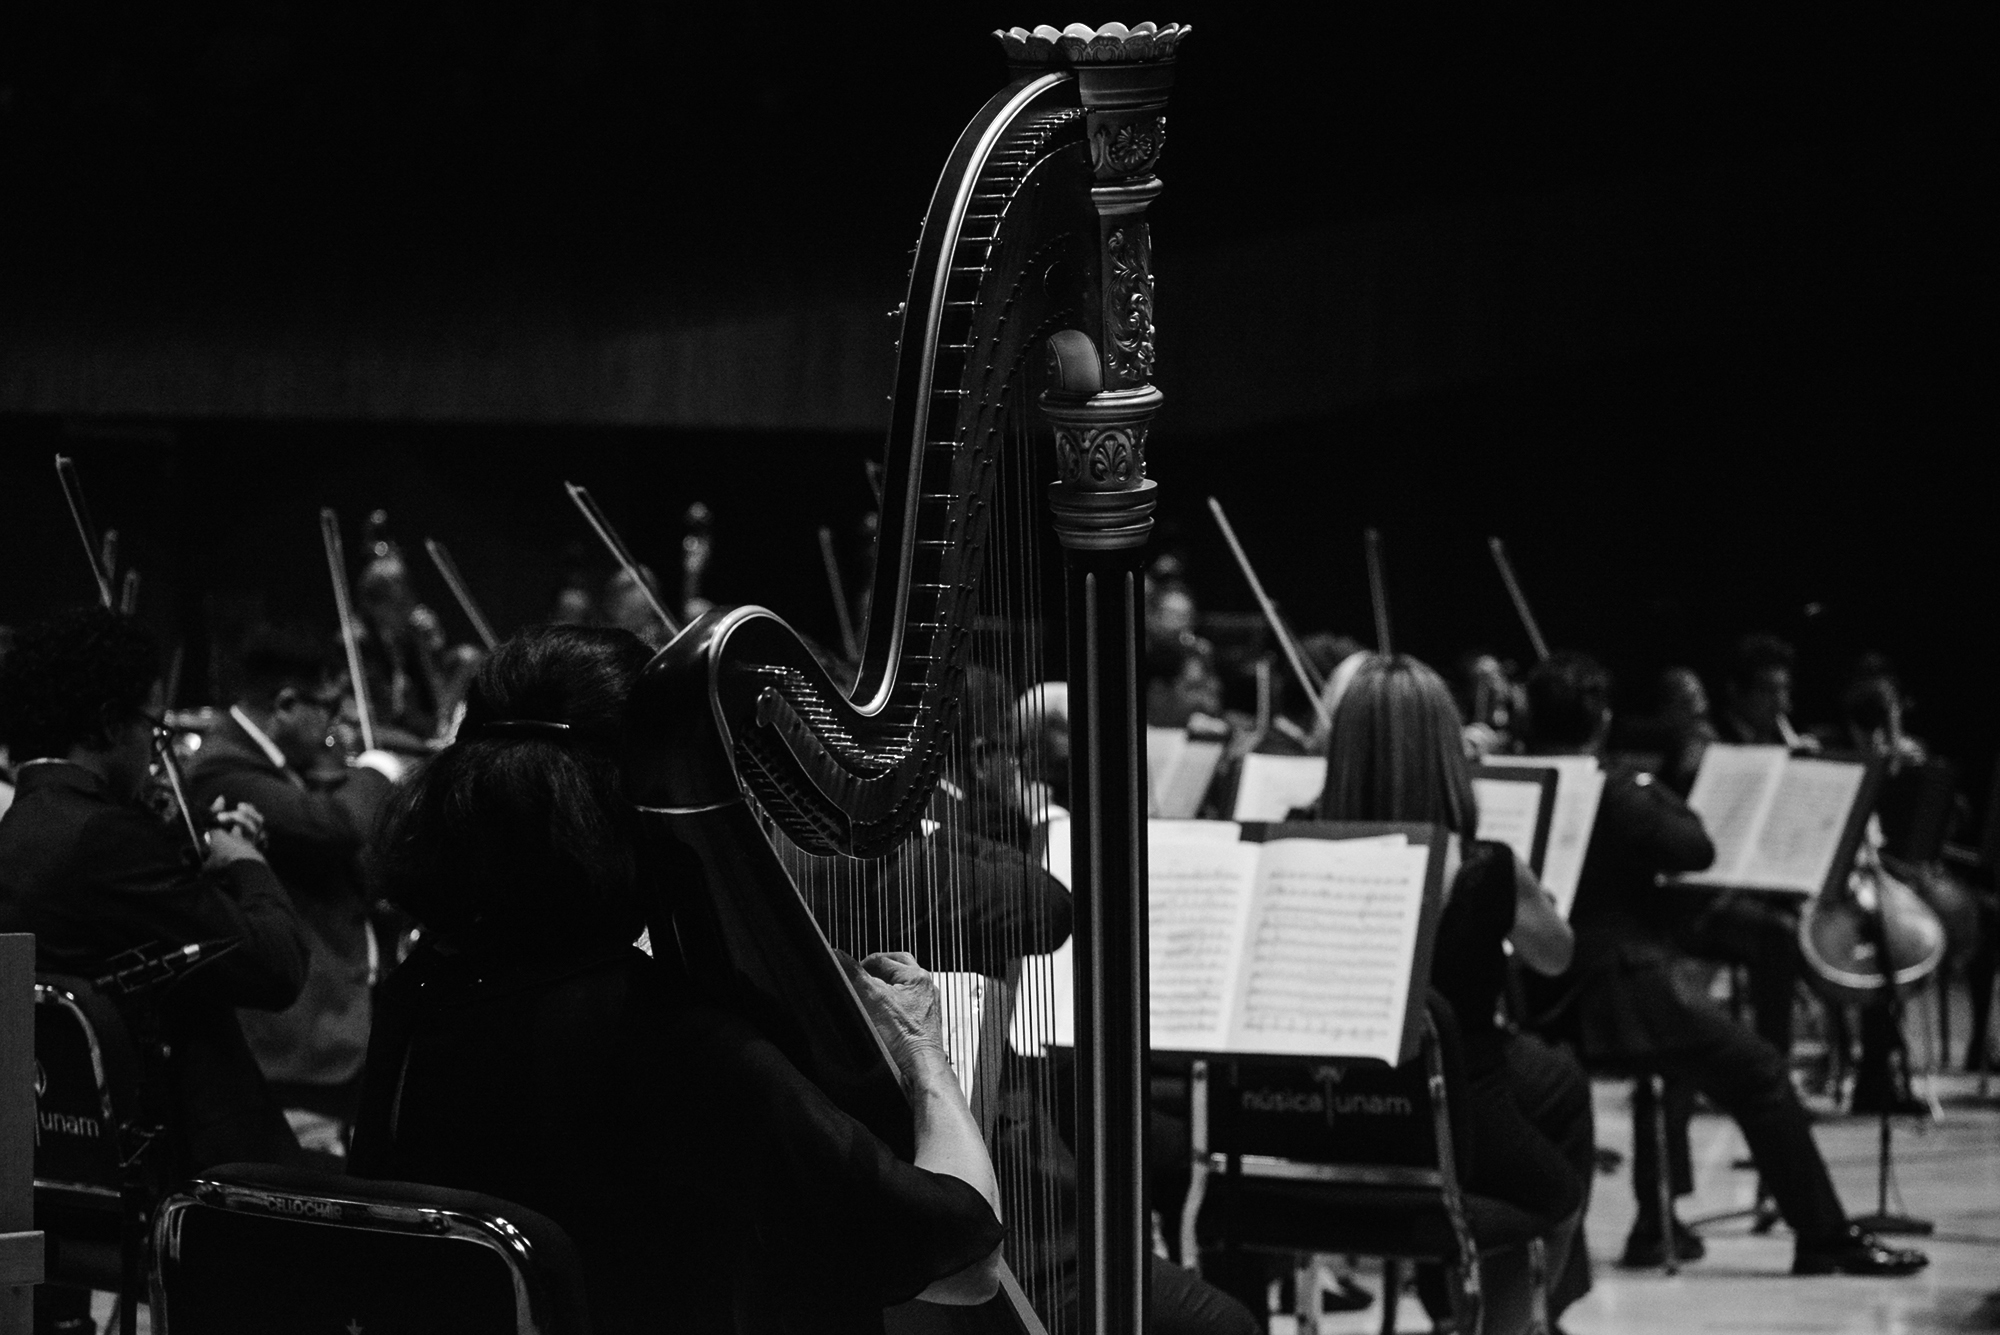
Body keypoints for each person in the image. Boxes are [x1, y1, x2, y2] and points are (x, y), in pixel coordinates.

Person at [351, 626, 1006, 1335]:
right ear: (650, 804)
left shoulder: (416, 992)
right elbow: (966, 1266)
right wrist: (921, 1050)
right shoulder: (668, 1040)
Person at [1528, 651, 1927, 1277]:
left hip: (1539, 996)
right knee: (1761, 1070)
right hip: (1615, 992)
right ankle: (1821, 1235)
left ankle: (1656, 1220)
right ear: (1600, 720)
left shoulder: (1517, 784)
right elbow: (1694, 845)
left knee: (1686, 1063)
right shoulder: (1615, 791)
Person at [0, 607, 312, 1335]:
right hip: (177, 1172)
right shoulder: (108, 838)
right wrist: (245, 860)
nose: (155, 746)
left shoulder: (16, 833)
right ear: (110, 724)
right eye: (153, 726)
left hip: (55, 1166)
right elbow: (274, 968)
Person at [1317, 654, 1594, 1333]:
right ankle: (1515, 1318)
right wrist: (1529, 897)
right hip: (1453, 1110)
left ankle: (1462, 1307)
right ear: (1446, 751)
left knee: (1552, 1085)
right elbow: (1557, 957)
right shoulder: (1484, 866)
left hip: (1326, 1108)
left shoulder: (1301, 850)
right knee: (1555, 1194)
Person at [186, 624, 403, 1154]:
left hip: (340, 1031)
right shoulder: (222, 767)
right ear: (286, 704)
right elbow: (333, 827)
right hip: (298, 1045)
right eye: (328, 708)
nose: (338, 724)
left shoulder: (288, 768)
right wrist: (376, 771)